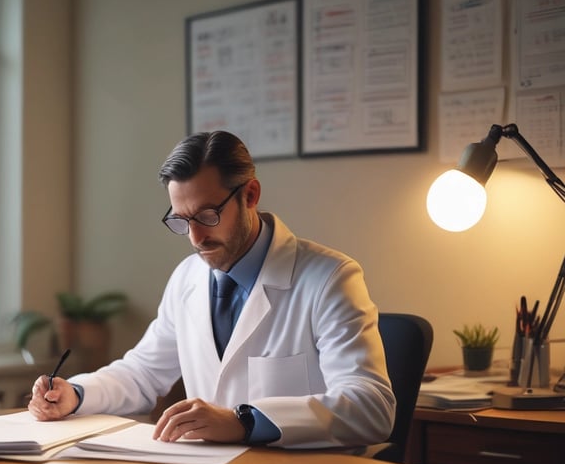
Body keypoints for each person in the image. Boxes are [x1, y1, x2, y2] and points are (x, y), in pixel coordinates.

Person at [28, 131, 395, 448]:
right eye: (181, 220)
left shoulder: (330, 278)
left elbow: (370, 406)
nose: (195, 237)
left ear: (250, 195)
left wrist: (244, 421)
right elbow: (142, 374)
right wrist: (74, 394)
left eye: (207, 216)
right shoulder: (188, 277)